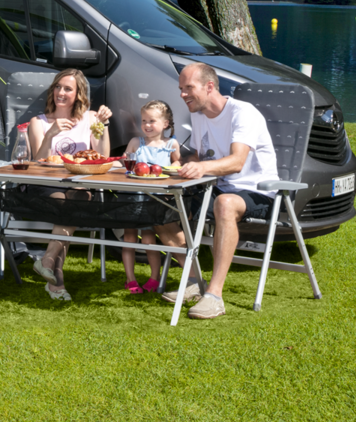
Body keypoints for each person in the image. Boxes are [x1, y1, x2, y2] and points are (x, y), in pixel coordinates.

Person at [153, 62, 277, 319]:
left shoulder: (243, 113)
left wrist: (201, 167)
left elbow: (237, 162)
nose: (182, 94)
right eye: (181, 88)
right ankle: (193, 281)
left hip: (257, 191)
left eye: (188, 88)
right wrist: (177, 164)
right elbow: (200, 157)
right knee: (161, 204)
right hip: (217, 188)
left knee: (225, 204)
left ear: (209, 86)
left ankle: (214, 296)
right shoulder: (199, 116)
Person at [26, 69, 111, 300]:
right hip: (47, 185)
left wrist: (103, 125)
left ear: (78, 94)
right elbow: (37, 163)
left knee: (78, 198)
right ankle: (56, 278)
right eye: (58, 87)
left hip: (78, 185)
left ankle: (47, 261)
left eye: (67, 88)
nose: (60, 93)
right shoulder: (39, 122)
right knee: (68, 209)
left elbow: (103, 156)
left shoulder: (90, 119)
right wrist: (50, 134)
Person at [115, 101, 180, 294]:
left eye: (152, 121)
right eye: (144, 120)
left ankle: (154, 277)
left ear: (165, 123)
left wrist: (174, 167)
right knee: (129, 238)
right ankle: (130, 279)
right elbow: (125, 161)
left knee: (149, 239)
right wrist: (118, 163)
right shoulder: (137, 142)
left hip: (155, 199)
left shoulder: (171, 144)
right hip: (132, 197)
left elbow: (177, 161)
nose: (147, 125)